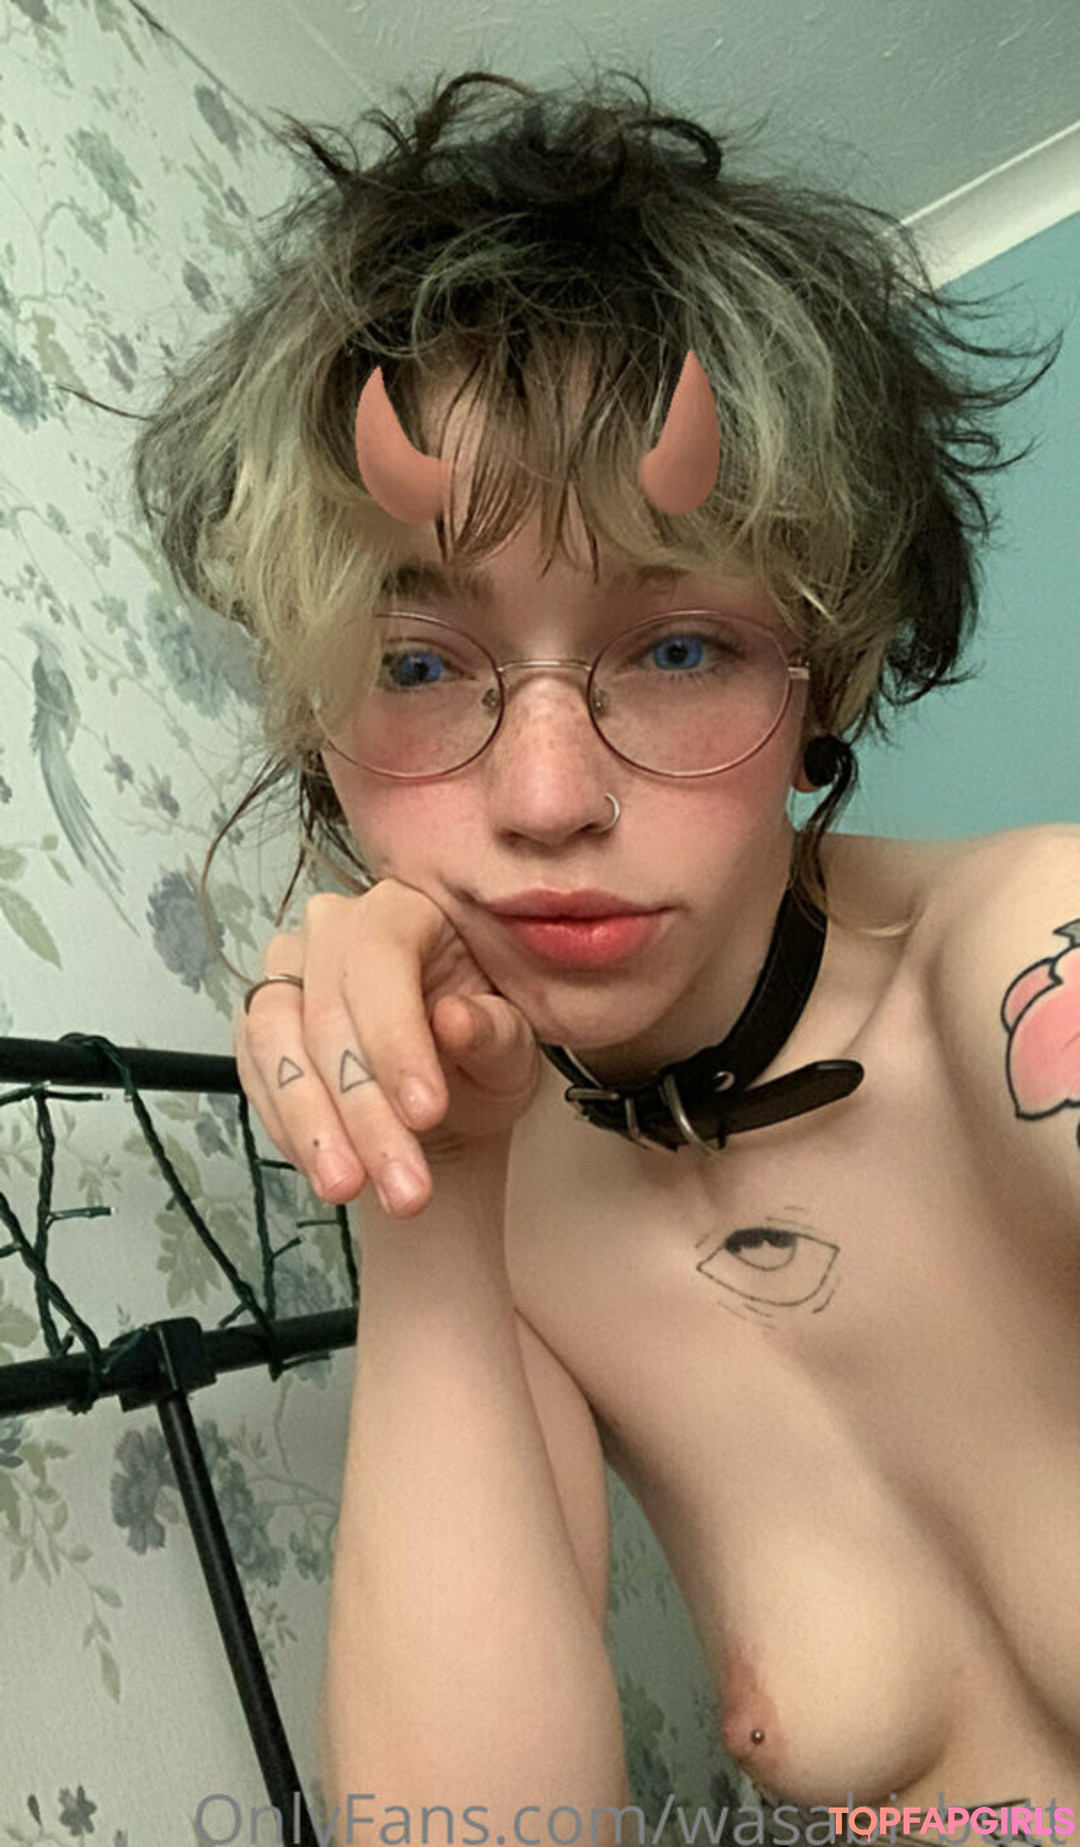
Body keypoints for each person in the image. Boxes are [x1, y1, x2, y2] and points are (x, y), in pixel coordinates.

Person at [131, 69, 1080, 1842]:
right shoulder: (518, 1221)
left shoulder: (1034, 970)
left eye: (680, 646)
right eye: (421, 667)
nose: (549, 797)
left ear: (821, 672)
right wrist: (425, 1180)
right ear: (319, 721)